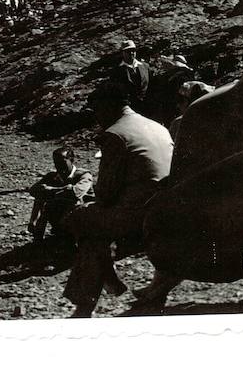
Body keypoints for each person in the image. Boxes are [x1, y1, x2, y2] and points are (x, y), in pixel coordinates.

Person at [62, 82, 174, 317]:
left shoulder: (115, 134)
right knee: (95, 229)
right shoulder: (156, 126)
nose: (96, 117)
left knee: (81, 220)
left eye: (96, 110)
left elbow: (106, 193)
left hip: (140, 212)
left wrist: (91, 202)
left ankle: (86, 303)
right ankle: (106, 279)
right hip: (167, 204)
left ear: (107, 106)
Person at [27, 147, 95, 242]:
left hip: (84, 217)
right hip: (62, 214)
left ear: (71, 160)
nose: (59, 167)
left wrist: (51, 190)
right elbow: (34, 190)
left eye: (62, 163)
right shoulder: (53, 176)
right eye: (56, 164)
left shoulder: (83, 175)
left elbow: (75, 193)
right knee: (42, 198)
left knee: (75, 203)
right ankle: (39, 237)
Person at [109, 40, 151, 112]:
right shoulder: (117, 71)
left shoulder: (145, 66)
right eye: (128, 51)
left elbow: (151, 85)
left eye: (133, 50)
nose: (131, 53)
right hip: (129, 109)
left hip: (147, 107)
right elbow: (115, 92)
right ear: (123, 53)